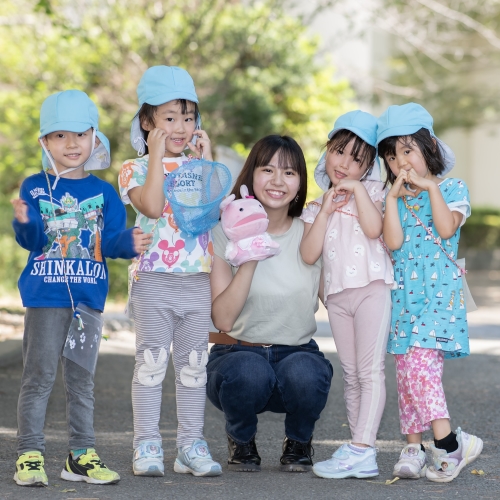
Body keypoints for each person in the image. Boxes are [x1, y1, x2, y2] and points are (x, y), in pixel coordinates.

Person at [11, 90, 145, 487]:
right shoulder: (34, 187)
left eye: (81, 134)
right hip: (45, 299)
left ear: (94, 138)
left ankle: (81, 456)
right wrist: (24, 223)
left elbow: (112, 241)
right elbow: (35, 241)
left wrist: (130, 242)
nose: (71, 143)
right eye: (60, 135)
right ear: (45, 142)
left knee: (81, 382)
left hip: (88, 303)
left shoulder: (104, 193)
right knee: (38, 377)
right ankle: (30, 454)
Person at [207, 135, 333, 473]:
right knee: (249, 372)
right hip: (236, 352)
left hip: (297, 352)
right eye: (267, 169)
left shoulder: (312, 232)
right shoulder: (222, 233)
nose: (278, 181)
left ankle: (299, 440)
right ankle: (241, 438)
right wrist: (250, 253)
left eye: (289, 173)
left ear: (300, 183)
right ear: (251, 175)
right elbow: (223, 319)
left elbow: (337, 299)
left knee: (308, 374)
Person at [119, 65, 222, 478]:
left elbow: (212, 213)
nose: (181, 127)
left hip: (197, 282)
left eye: (189, 117)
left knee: (194, 366)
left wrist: (207, 161)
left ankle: (190, 445)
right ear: (147, 122)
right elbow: (151, 205)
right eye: (169, 118)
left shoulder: (198, 166)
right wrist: (157, 157)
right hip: (154, 282)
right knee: (151, 364)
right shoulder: (133, 168)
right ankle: (146, 444)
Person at [378, 103, 483, 483]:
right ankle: (414, 447)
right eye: (391, 156)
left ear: (430, 147)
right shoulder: (394, 199)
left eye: (407, 150)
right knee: (406, 371)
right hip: (404, 299)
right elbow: (393, 242)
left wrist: (430, 188)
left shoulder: (453, 188)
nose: (400, 162)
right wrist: (392, 199)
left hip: (439, 300)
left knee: (421, 368)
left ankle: (450, 444)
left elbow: (446, 227)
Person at [300, 111, 394, 479]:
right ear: (327, 150)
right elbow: (309, 255)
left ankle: (363, 448)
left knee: (370, 371)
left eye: (356, 159)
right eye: (339, 152)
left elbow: (374, 230)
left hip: (372, 289)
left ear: (368, 166)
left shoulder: (374, 193)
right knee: (352, 374)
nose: (344, 164)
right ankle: (359, 447)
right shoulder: (315, 207)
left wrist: (357, 190)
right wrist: (325, 210)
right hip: (338, 298)